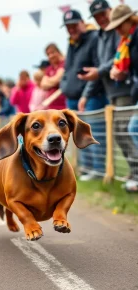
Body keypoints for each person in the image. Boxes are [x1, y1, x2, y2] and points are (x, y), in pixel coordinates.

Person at [79, 0, 138, 188]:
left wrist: (105, 71)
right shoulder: (103, 36)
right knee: (120, 134)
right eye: (96, 17)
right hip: (111, 90)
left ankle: (136, 173)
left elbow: (116, 60)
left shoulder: (125, 36)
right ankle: (133, 171)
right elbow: (102, 66)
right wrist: (86, 94)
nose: (101, 19)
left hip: (126, 90)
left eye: (103, 14)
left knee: (127, 130)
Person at [60, 9, 109, 181]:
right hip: (72, 98)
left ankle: (98, 170)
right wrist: (64, 85)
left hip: (91, 97)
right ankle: (87, 168)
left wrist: (86, 95)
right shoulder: (72, 43)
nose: (71, 29)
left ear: (82, 23)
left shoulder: (94, 38)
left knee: (93, 133)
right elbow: (68, 69)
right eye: (68, 26)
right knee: (78, 135)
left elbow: (97, 70)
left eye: (73, 25)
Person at [106, 4, 138, 191]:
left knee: (133, 127)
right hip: (134, 90)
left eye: (119, 25)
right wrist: (121, 73)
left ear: (129, 20)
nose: (117, 30)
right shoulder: (128, 40)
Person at [41, 43, 66, 110]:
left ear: (58, 52)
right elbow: (43, 85)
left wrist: (49, 80)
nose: (51, 56)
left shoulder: (64, 64)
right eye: (48, 54)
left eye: (52, 53)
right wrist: (54, 81)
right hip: (51, 106)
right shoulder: (49, 68)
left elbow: (57, 79)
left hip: (63, 105)